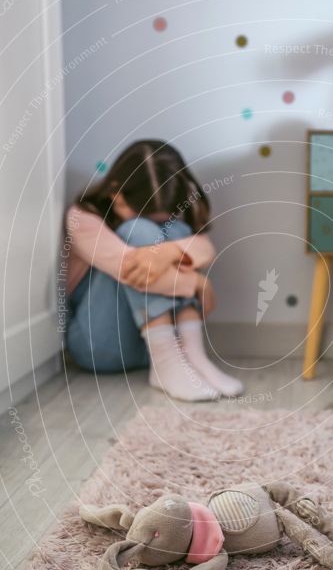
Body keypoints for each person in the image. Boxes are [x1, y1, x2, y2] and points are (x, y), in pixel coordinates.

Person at [64, 139, 242, 401]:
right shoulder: (82, 217)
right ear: (116, 194)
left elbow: (204, 247)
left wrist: (170, 252)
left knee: (177, 232)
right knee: (136, 232)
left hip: (147, 345)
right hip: (99, 345)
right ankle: (168, 363)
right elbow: (131, 268)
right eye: (141, 213)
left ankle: (193, 356)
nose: (151, 224)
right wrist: (195, 282)